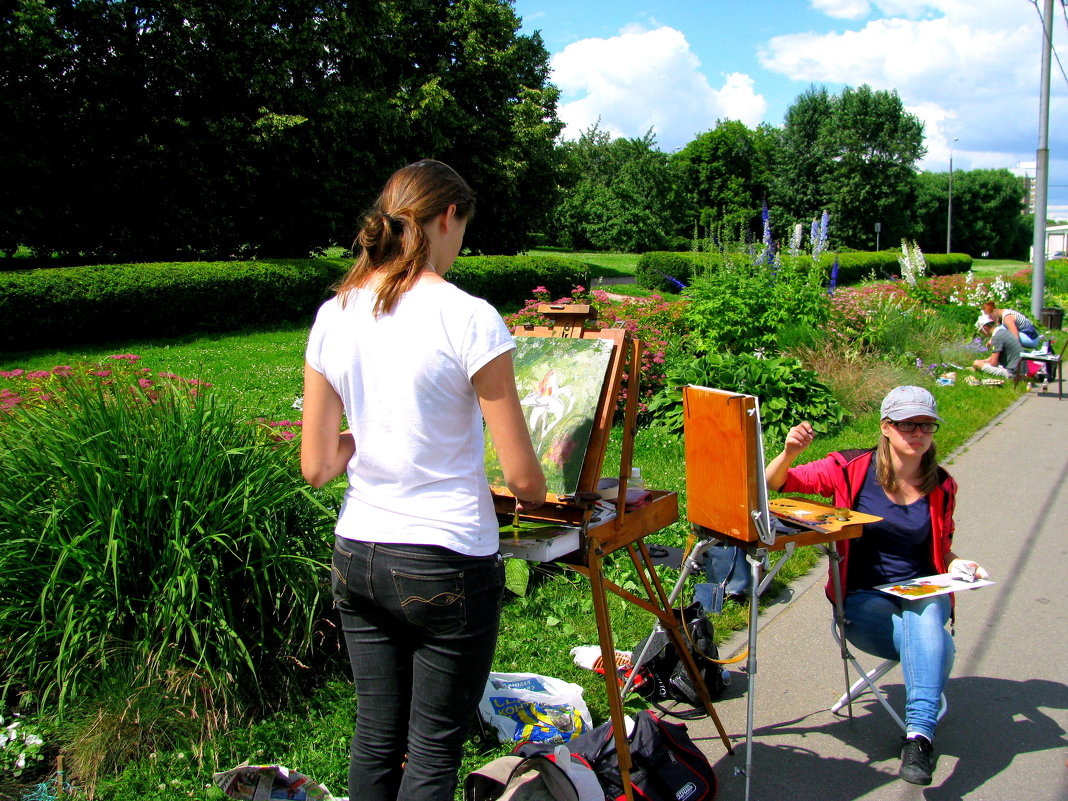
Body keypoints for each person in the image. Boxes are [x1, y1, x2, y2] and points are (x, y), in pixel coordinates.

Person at [300, 159, 546, 801]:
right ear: (446, 218)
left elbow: (318, 465)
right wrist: (547, 488)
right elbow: (522, 479)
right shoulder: (467, 315)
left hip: (359, 555)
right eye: (463, 229)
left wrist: (374, 435)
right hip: (446, 564)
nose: (461, 245)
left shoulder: (335, 313)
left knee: (375, 739)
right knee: (433, 752)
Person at [765, 386, 989, 786]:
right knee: (939, 644)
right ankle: (927, 691)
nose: (918, 433)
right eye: (907, 425)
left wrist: (960, 565)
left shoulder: (942, 485)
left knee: (929, 608)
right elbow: (775, 484)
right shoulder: (849, 468)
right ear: (886, 427)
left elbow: (943, 550)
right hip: (862, 602)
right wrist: (790, 452)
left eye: (927, 425)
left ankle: (918, 738)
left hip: (920, 596)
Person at [972, 313, 1022, 378]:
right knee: (978, 363)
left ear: (985, 328)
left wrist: (979, 363)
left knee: (976, 363)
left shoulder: (996, 337)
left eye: (981, 331)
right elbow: (995, 358)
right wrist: (984, 361)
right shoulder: (1002, 332)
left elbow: (993, 363)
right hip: (1019, 369)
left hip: (1012, 373)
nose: (981, 333)